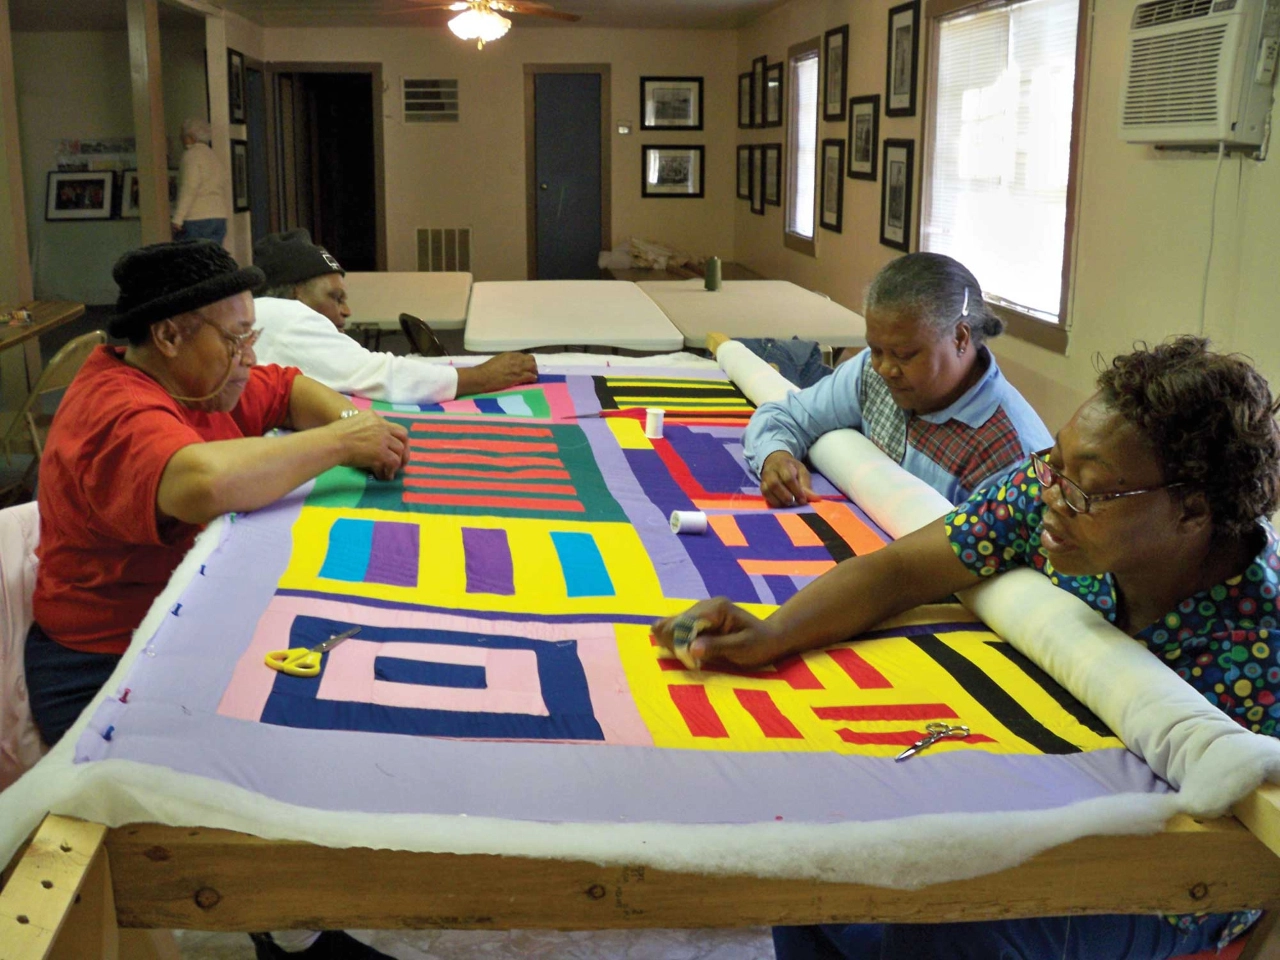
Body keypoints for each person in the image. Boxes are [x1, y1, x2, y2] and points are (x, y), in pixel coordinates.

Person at [655, 337, 1277, 959]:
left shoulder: (1260, 647)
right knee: (818, 852)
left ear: (1192, 511)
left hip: (1187, 868)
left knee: (943, 926)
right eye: (1053, 462)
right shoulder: (1046, 501)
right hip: (1065, 766)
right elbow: (899, 570)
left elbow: (1235, 834)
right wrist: (774, 634)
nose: (1053, 496)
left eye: (1086, 489)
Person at [25, 240, 403, 960]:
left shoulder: (204, 381)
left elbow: (286, 387)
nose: (248, 359)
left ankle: (298, 921)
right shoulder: (114, 408)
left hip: (182, 627)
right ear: (168, 336)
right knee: (280, 797)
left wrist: (335, 422)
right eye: (236, 340)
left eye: (250, 337)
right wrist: (345, 440)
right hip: (106, 667)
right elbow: (201, 481)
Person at [743, 253, 1051, 507]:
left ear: (959, 338)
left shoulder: (1010, 455)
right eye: (876, 350)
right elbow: (785, 417)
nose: (886, 368)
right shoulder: (871, 374)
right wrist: (777, 458)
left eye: (905, 355)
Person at [251, 229, 538, 402]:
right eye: (335, 298)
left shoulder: (267, 316)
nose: (347, 311)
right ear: (296, 294)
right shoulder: (288, 315)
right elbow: (378, 375)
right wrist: (482, 377)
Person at [171, 118, 228, 245]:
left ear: (190, 136)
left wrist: (178, 218)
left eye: (182, 134)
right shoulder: (213, 157)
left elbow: (189, 187)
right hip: (219, 215)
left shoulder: (191, 156)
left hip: (197, 217)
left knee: (192, 259)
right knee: (212, 259)